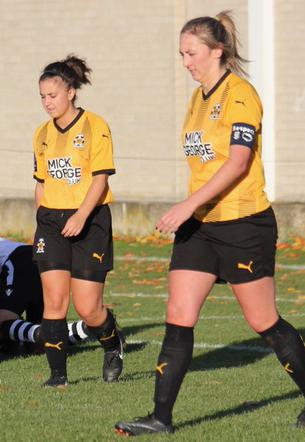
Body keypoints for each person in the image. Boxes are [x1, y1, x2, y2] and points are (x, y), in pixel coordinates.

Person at [115, 11, 305, 435]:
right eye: (182, 53)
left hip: (243, 224)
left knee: (262, 321)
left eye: (192, 53)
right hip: (200, 226)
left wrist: (186, 204)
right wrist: (192, 210)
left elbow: (238, 164)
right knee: (178, 313)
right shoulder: (198, 99)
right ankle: (160, 418)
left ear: (217, 51)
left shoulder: (240, 95)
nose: (185, 61)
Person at [32, 55, 123, 388]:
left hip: (91, 218)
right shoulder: (41, 134)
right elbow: (41, 182)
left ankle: (113, 343)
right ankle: (58, 377)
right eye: (42, 96)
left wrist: (81, 215)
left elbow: (100, 179)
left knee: (88, 308)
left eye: (52, 95)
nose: (47, 102)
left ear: (70, 92)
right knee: (55, 301)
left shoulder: (94, 126)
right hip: (52, 223)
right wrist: (40, 224)